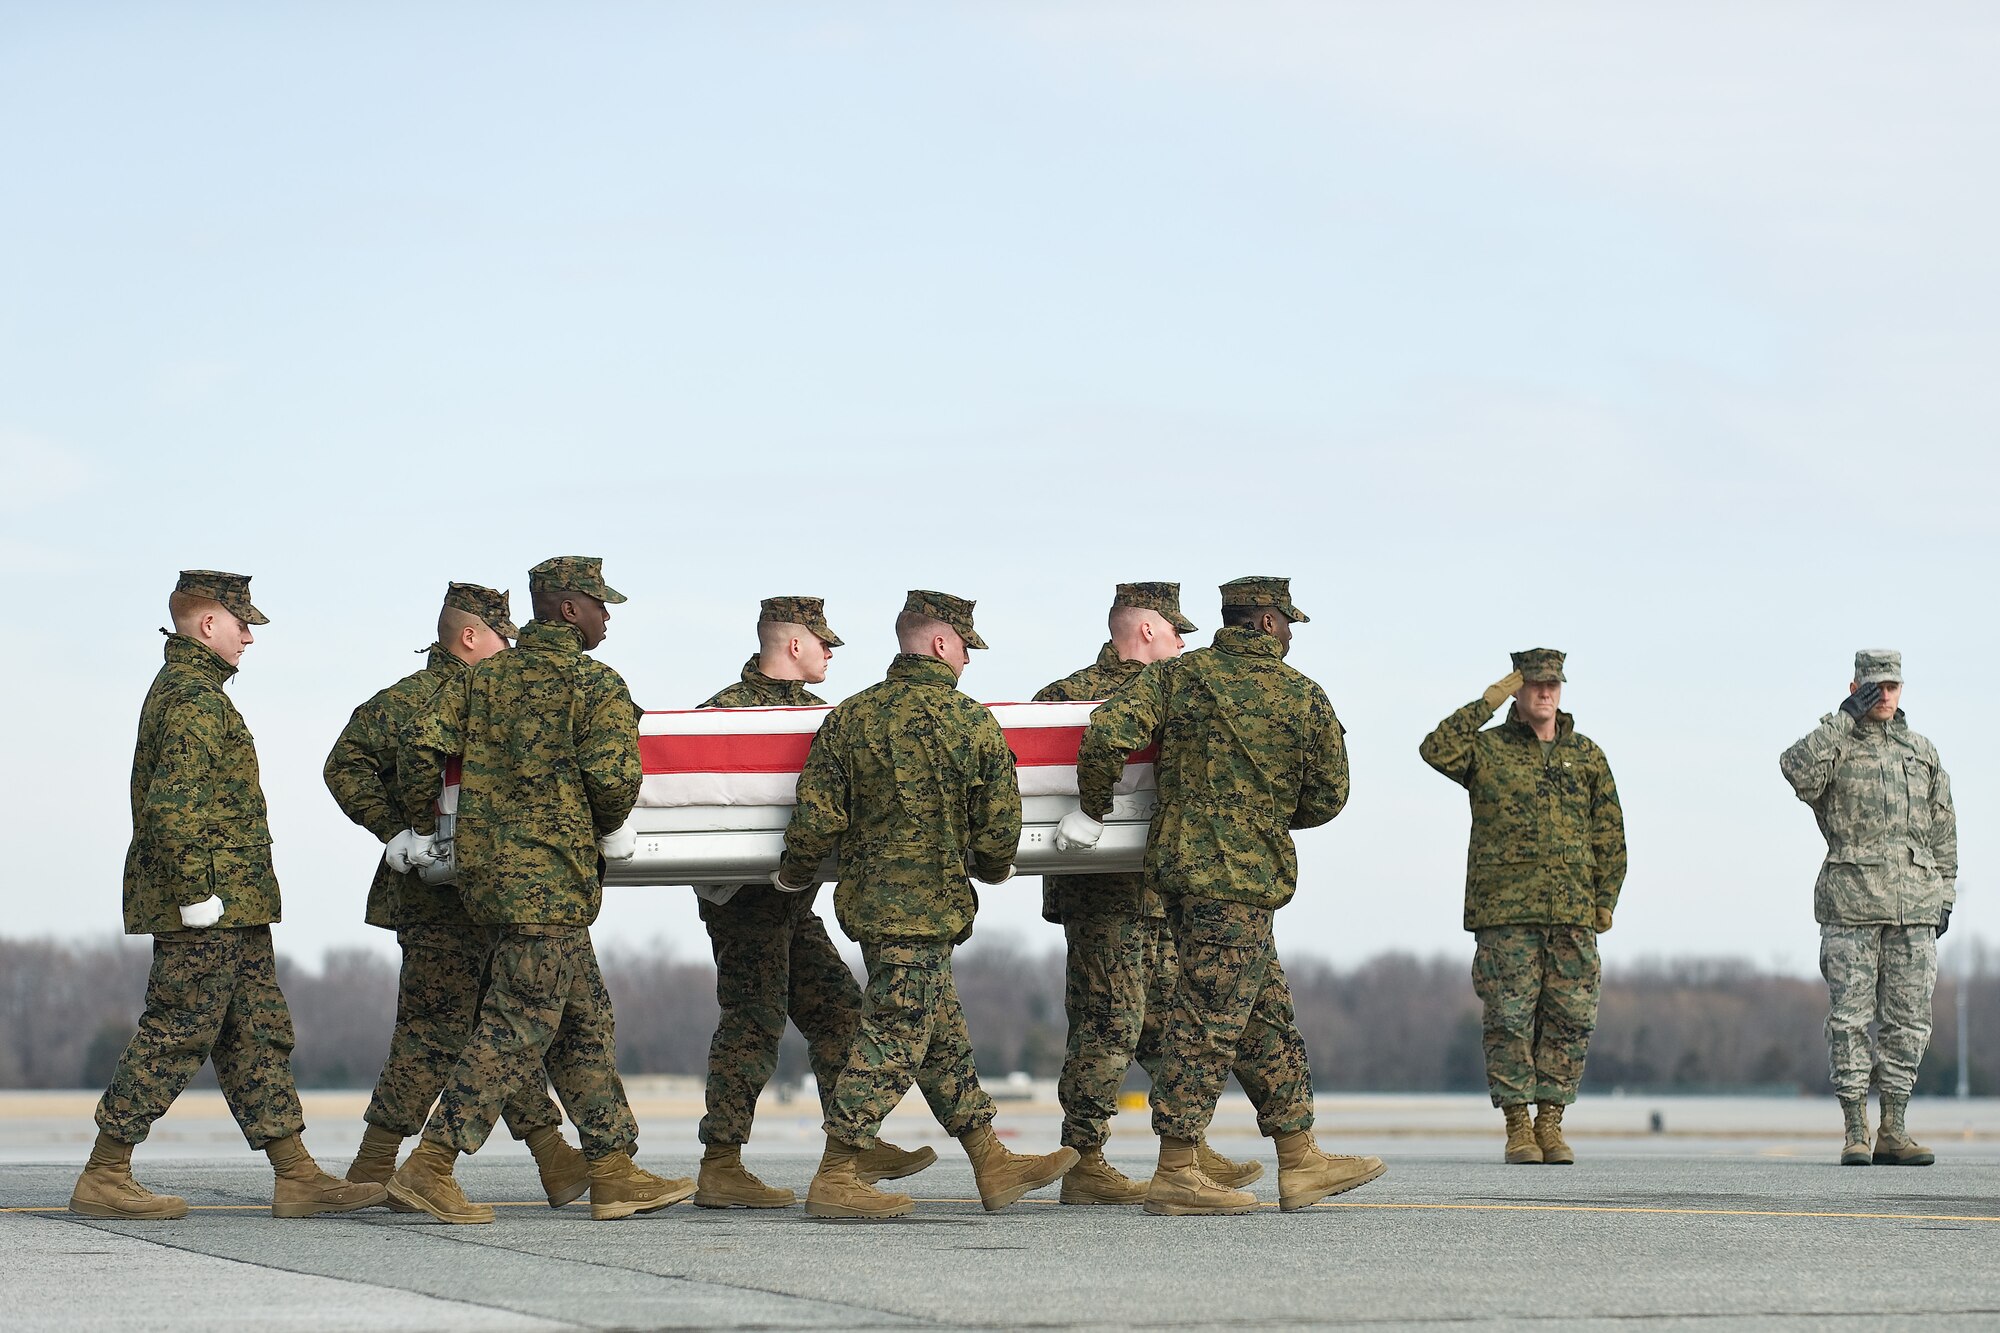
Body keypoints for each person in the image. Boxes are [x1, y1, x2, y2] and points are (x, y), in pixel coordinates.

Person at [386, 556, 694, 1223]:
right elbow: (613, 779)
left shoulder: (481, 679)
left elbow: (419, 747)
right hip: (550, 882)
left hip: (489, 880)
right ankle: (430, 1163)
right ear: (566, 609)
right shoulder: (596, 684)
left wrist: (427, 823)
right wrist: (605, 827)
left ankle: (611, 1165)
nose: (606, 616)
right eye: (598, 604)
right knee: (520, 1021)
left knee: (584, 1017)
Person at [71, 571, 385, 1220]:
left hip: (233, 909)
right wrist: (193, 896)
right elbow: (173, 808)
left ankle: (296, 1174)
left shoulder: (200, 693)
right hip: (207, 910)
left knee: (256, 1033)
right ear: (207, 623)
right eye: (240, 622)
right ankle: (105, 1171)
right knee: (177, 1030)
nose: (248, 635)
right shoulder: (191, 698)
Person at [1065, 576, 1384, 1214]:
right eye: (1287, 623)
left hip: (1180, 871)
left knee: (1266, 1014)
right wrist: (1260, 814)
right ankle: (1178, 1168)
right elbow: (1328, 798)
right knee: (1210, 1019)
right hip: (1243, 879)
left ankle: (1299, 1157)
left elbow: (1106, 734)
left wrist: (1095, 808)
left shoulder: (1178, 678)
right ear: (1268, 624)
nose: (1291, 634)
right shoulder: (1302, 695)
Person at [782, 590, 1077, 1217]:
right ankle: (836, 1173)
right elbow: (999, 835)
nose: (969, 660)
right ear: (942, 643)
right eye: (966, 646)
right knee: (895, 1033)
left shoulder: (851, 719)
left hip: (871, 906)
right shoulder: (972, 723)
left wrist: (793, 875)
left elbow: (815, 819)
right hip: (933, 909)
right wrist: (992, 871)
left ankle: (990, 1161)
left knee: (941, 1035)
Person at [324, 582, 588, 1209]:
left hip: (478, 889)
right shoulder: (435, 700)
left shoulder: (413, 699)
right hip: (445, 897)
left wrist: (399, 829)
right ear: (471, 636)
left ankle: (553, 1159)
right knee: (439, 1025)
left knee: (494, 1024)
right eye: (502, 637)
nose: (510, 650)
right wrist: (404, 826)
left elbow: (344, 764)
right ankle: (375, 1166)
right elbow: (349, 765)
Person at [690, 596, 933, 1208]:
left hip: (794, 902)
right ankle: (721, 1162)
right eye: (821, 641)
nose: (830, 651)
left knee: (839, 1011)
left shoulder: (827, 717)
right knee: (753, 1020)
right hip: (744, 901)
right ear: (793, 644)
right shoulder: (722, 714)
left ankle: (855, 1143)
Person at [1033, 582, 1259, 1204]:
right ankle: (1084, 1159)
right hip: (1102, 895)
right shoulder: (1065, 699)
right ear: (1146, 631)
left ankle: (1184, 1143)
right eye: (1176, 630)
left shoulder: (1182, 692)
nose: (1185, 642)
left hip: (1158, 891)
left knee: (1164, 1025)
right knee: (1110, 1023)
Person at [1419, 649, 1626, 1165]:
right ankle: (1517, 1126)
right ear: (1518, 689)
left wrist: (1605, 900)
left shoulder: (1587, 756)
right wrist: (1488, 700)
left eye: (1553, 684)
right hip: (1504, 912)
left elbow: (1610, 833)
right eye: (1534, 684)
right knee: (1509, 1020)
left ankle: (1551, 1123)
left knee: (1569, 1019)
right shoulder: (1486, 751)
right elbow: (1435, 748)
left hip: (1572, 912)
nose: (1545, 693)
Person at [1780, 650, 1957, 1166]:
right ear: (1857, 686)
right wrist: (1843, 716)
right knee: (1850, 1021)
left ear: (1902, 689)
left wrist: (1943, 896)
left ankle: (1894, 1130)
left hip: (1914, 909)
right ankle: (1856, 1130)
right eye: (1874, 687)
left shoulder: (1922, 751)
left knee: (1909, 1023)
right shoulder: (1835, 745)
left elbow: (1944, 832)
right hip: (1851, 905)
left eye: (1892, 686)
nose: (1884, 696)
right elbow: (1794, 768)